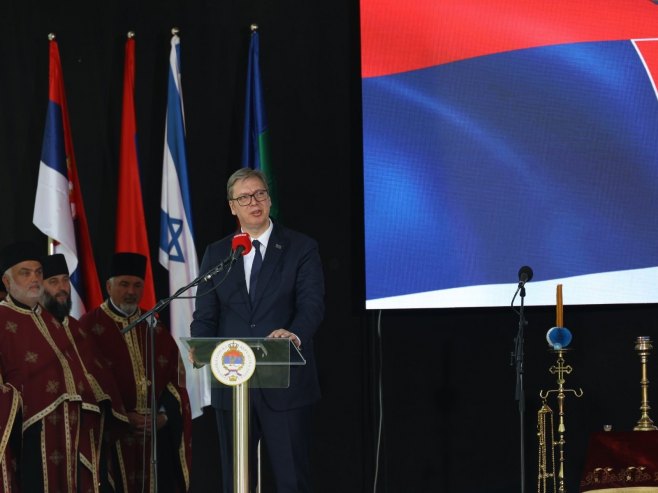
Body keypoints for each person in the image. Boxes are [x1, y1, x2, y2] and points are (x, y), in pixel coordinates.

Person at [191, 168, 325, 493]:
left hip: (285, 383)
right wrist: (199, 344)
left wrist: (293, 334)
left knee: (292, 481)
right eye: (244, 197)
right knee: (237, 482)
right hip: (233, 384)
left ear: (269, 199)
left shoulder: (300, 248)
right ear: (232, 207)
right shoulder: (218, 253)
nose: (254, 202)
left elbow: (311, 306)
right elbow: (206, 314)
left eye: (260, 194)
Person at [79, 252, 192, 493]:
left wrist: (163, 417)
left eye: (137, 285)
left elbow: (176, 383)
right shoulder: (88, 327)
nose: (131, 291)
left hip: (154, 437)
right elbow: (84, 385)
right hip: (112, 437)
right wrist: (121, 417)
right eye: (124, 284)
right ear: (109, 286)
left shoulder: (156, 328)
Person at [0, 241, 101, 491]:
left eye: (38, 272)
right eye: (25, 273)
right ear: (7, 281)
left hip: (70, 430)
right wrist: (22, 398)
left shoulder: (54, 320)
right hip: (27, 434)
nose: (34, 279)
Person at [41, 253, 130, 492]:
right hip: (49, 435)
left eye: (65, 280)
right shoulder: (33, 329)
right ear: (39, 287)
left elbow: (100, 377)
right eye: (53, 282)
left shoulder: (77, 328)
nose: (62, 288)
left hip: (87, 432)